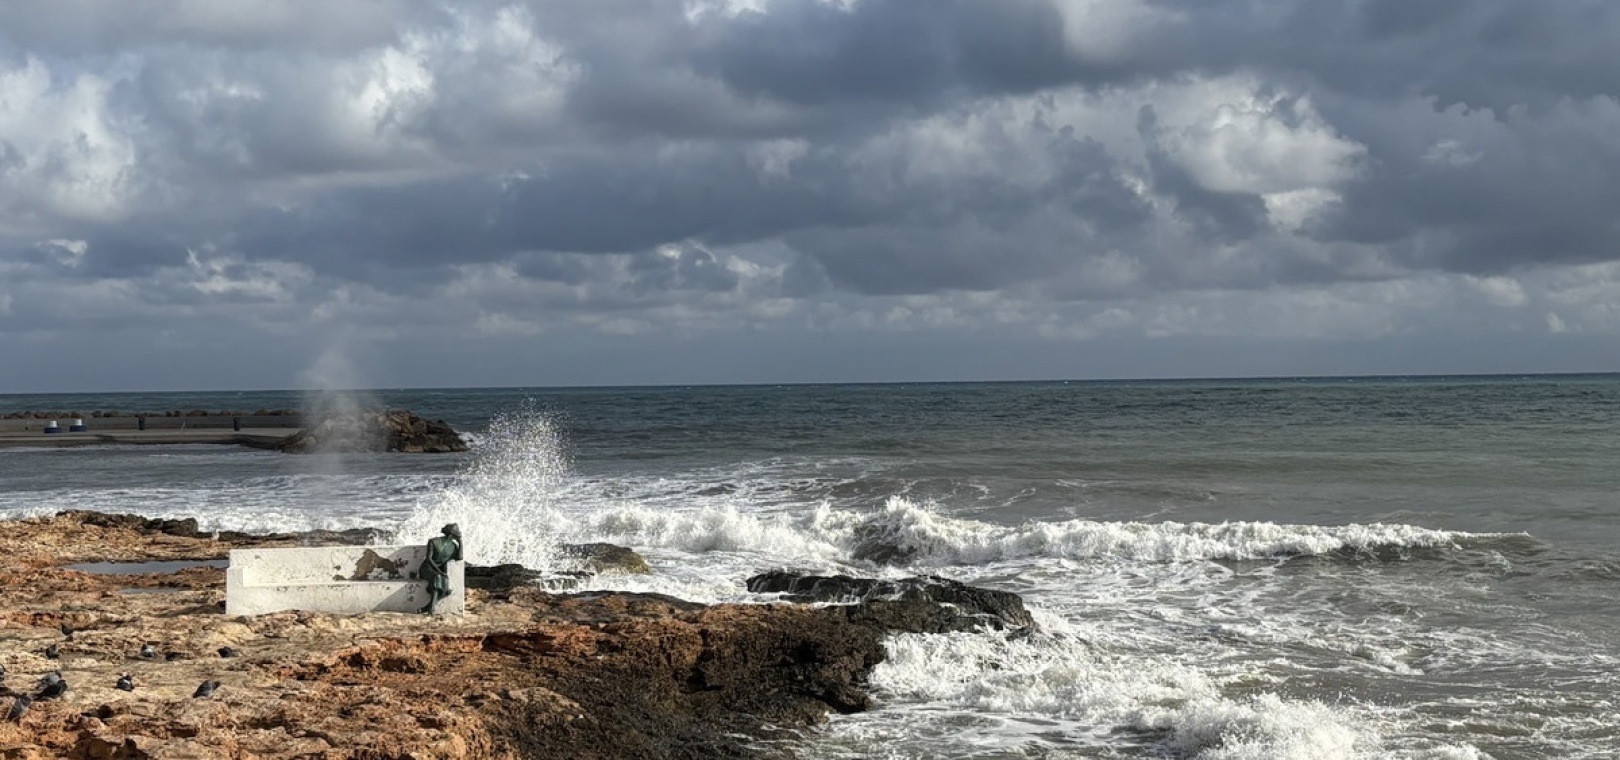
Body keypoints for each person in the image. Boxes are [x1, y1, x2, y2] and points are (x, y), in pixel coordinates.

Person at [420, 523, 463, 614]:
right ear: (451, 534)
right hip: (427, 568)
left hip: (438, 572)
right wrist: (439, 571)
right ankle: (431, 609)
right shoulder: (433, 542)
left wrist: (460, 543)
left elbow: (460, 557)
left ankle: (427, 608)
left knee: (445, 585)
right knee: (438, 577)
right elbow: (429, 559)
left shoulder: (453, 546)